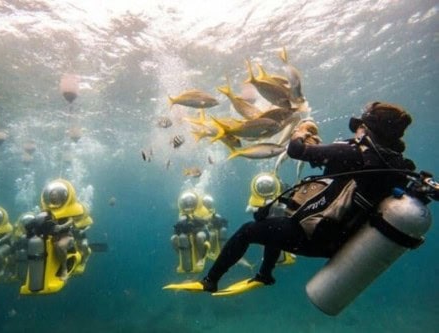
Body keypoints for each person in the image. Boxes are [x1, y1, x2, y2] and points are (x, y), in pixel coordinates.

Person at [164, 101, 416, 294]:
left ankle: (210, 281)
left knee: (248, 230)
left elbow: (296, 151)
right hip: (343, 242)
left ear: (368, 128)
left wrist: (301, 130)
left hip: (314, 236)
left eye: (361, 126)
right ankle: (264, 274)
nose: (357, 131)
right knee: (279, 218)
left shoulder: (351, 152)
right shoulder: (397, 165)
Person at [170, 190, 211, 273]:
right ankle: (184, 258)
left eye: (190, 202)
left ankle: (201, 258)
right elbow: (178, 228)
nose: (189, 204)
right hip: (187, 233)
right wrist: (178, 229)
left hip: (203, 232)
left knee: (199, 237)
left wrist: (195, 222)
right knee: (173, 239)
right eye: (186, 202)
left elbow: (206, 223)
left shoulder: (202, 210)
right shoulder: (182, 213)